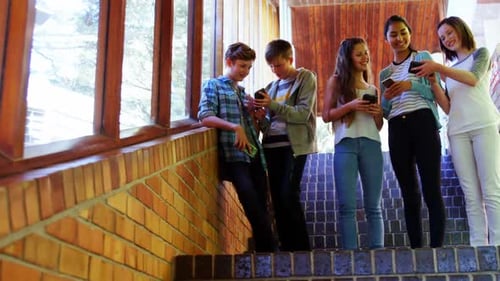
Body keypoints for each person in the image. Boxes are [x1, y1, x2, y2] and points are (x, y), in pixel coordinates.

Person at [413, 16, 500, 246]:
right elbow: (449, 107)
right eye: (442, 38)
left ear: (460, 30)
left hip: (484, 126)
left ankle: (497, 246)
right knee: (471, 195)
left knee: (491, 190)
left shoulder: (480, 54)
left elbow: (472, 79)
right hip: (458, 132)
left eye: (449, 33)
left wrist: (438, 68)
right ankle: (479, 247)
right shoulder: (448, 71)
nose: (447, 39)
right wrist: (433, 81)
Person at [197, 42, 277, 252]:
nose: (246, 72)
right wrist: (234, 127)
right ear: (229, 62)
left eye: (249, 67)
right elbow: (205, 117)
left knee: (262, 204)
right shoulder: (213, 85)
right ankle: (272, 250)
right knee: (250, 200)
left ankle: (265, 252)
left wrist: (256, 116)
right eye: (242, 66)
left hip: (254, 154)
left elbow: (257, 129)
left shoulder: (242, 92)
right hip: (234, 155)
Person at [379, 15, 446, 248]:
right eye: (393, 34)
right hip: (397, 127)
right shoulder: (384, 73)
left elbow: (434, 93)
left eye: (403, 32)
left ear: (410, 33)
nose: (399, 38)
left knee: (431, 187)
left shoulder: (422, 57)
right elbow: (386, 112)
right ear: (386, 39)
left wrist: (410, 85)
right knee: (408, 191)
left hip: (423, 121)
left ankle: (437, 247)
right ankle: (416, 248)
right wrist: (386, 99)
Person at [253, 39, 317, 251]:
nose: (275, 70)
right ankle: (287, 250)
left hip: (294, 146)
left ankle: (302, 250)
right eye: (271, 66)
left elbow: (302, 114)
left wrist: (271, 104)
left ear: (291, 59)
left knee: (288, 194)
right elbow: (268, 125)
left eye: (278, 65)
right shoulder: (272, 87)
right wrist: (262, 116)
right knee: (277, 201)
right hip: (271, 146)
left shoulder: (305, 78)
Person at [321, 37, 384, 250]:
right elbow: (326, 115)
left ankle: (379, 251)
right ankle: (350, 254)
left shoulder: (372, 88)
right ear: (348, 58)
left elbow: (378, 125)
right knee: (347, 205)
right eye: (359, 54)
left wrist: (378, 113)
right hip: (345, 144)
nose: (365, 57)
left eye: (366, 53)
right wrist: (351, 105)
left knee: (374, 206)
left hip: (372, 144)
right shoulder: (336, 81)